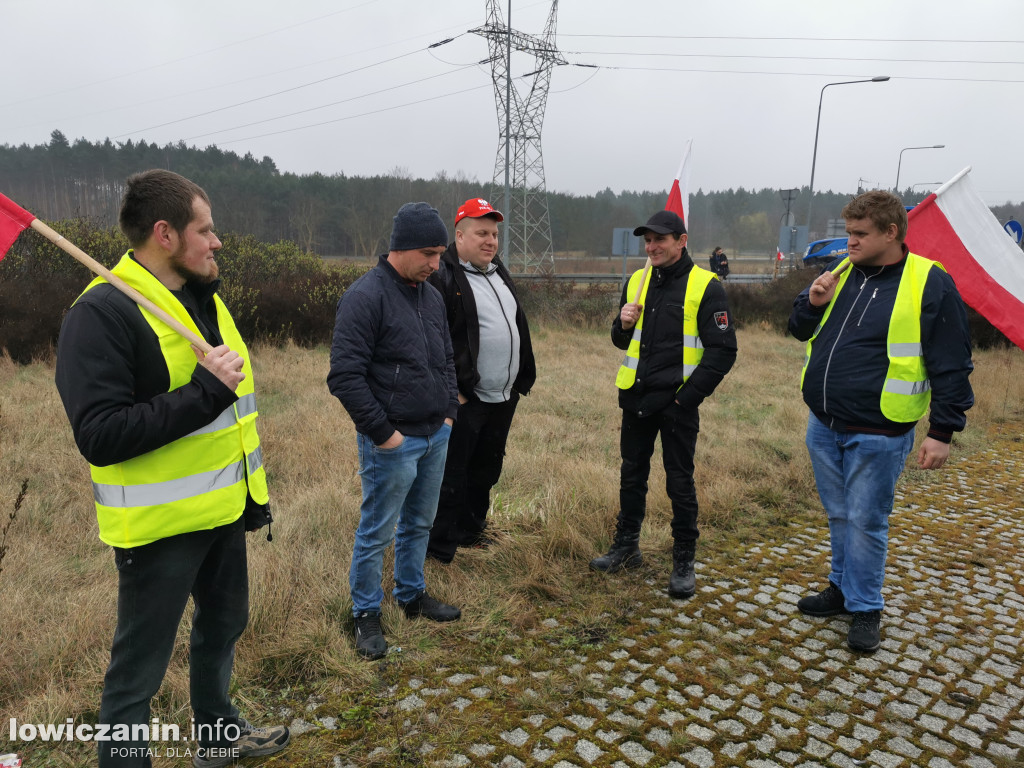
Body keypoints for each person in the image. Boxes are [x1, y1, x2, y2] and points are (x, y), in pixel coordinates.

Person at [54, 170, 290, 768]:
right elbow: (100, 435)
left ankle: (218, 738)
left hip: (222, 510)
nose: (217, 243)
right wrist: (203, 392)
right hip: (157, 530)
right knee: (138, 675)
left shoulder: (199, 296)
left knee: (223, 628)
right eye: (205, 230)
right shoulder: (102, 313)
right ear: (165, 233)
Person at [789, 190, 973, 653]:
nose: (848, 242)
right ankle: (841, 587)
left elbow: (951, 360)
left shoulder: (929, 281)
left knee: (868, 520)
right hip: (824, 423)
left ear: (891, 232)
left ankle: (866, 606)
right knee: (838, 514)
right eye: (848, 232)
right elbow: (799, 330)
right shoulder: (840, 273)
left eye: (859, 234)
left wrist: (942, 431)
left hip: (880, 429)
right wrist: (811, 303)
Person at [328, 202, 462, 661]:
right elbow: (344, 376)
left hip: (435, 435)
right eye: (428, 253)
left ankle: (410, 594)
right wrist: (385, 434)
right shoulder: (365, 297)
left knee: (420, 522)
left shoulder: (433, 294)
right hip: (393, 443)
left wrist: (447, 415)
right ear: (399, 248)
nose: (435, 264)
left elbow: (445, 359)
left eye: (440, 254)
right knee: (376, 532)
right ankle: (365, 613)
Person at [591, 210, 737, 599]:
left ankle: (683, 560)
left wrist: (684, 400)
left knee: (679, 483)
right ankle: (626, 548)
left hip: (676, 405)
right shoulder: (637, 281)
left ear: (681, 241)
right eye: (647, 240)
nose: (652, 246)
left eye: (660, 239)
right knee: (631, 476)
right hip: (635, 398)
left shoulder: (706, 286)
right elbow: (623, 342)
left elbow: (723, 352)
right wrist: (620, 325)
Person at [425, 198, 536, 564]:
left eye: (494, 234)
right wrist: (453, 391)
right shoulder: (441, 276)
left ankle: (472, 532)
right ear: (459, 236)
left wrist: (519, 380)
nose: (490, 241)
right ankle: (440, 548)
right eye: (481, 233)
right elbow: (430, 340)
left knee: (487, 468)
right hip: (466, 398)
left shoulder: (497, 270)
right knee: (452, 474)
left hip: (503, 396)